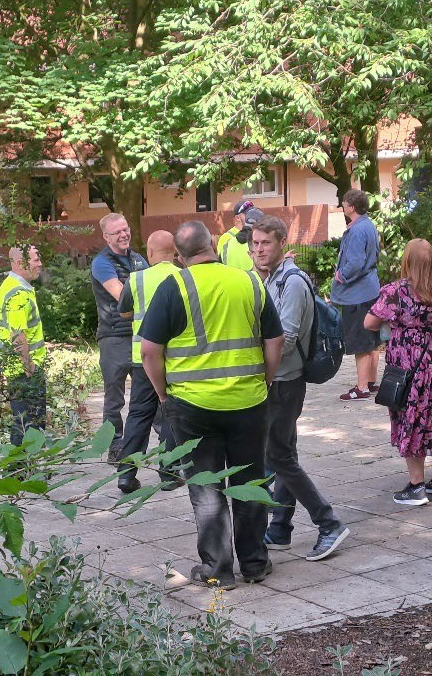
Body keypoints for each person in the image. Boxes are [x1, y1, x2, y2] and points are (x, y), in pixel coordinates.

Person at [139, 220, 284, 590]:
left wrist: (163, 394)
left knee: (206, 488)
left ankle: (218, 570)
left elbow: (149, 351)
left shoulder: (175, 286)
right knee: (250, 482)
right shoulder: (249, 281)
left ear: (179, 256)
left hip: (192, 406)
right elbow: (275, 340)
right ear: (213, 245)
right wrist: (264, 381)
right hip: (248, 401)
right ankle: (255, 563)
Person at [252, 216, 351, 560]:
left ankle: (328, 523)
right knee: (283, 455)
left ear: (282, 242)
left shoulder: (291, 282)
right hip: (279, 381)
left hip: (283, 383)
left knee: (278, 458)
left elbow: (286, 339)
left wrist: (257, 368)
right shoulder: (272, 278)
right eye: (255, 243)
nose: (259, 249)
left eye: (266, 242)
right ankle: (280, 528)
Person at [364, 239, 432, 505]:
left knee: (410, 417)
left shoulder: (396, 291)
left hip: (410, 365)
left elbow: (369, 323)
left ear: (407, 261)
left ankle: (416, 486)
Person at [116, 230, 183, 494]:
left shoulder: (136, 279)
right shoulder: (184, 277)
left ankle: (126, 474)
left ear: (151, 253)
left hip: (141, 359)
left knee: (138, 414)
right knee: (171, 413)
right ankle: (169, 473)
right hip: (175, 359)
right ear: (175, 252)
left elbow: (124, 312)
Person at [91, 212, 148, 462]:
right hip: (114, 336)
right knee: (114, 398)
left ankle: (161, 448)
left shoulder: (138, 259)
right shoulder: (101, 263)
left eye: (125, 229)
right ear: (106, 237)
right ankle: (115, 446)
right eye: (117, 232)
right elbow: (122, 296)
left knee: (148, 392)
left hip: (140, 334)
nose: (124, 235)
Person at [332, 188, 382, 401]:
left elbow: (355, 262)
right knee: (372, 339)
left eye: (344, 203)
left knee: (360, 341)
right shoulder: (368, 225)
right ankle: (370, 381)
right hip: (371, 289)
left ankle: (361, 388)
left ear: (352, 207)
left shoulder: (356, 230)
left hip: (357, 294)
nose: (342, 206)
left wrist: (341, 276)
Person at [0, 245, 47, 445]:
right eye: (35, 260)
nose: (40, 264)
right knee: (29, 427)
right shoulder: (17, 293)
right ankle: (22, 463)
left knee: (25, 423)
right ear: (19, 263)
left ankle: (23, 462)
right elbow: (18, 335)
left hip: (20, 369)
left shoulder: (14, 287)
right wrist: (29, 367)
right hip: (24, 371)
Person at [217, 199, 256, 270]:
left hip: (253, 276)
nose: (251, 217)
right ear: (237, 218)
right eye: (247, 214)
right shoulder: (226, 238)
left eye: (252, 214)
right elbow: (221, 263)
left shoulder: (255, 234)